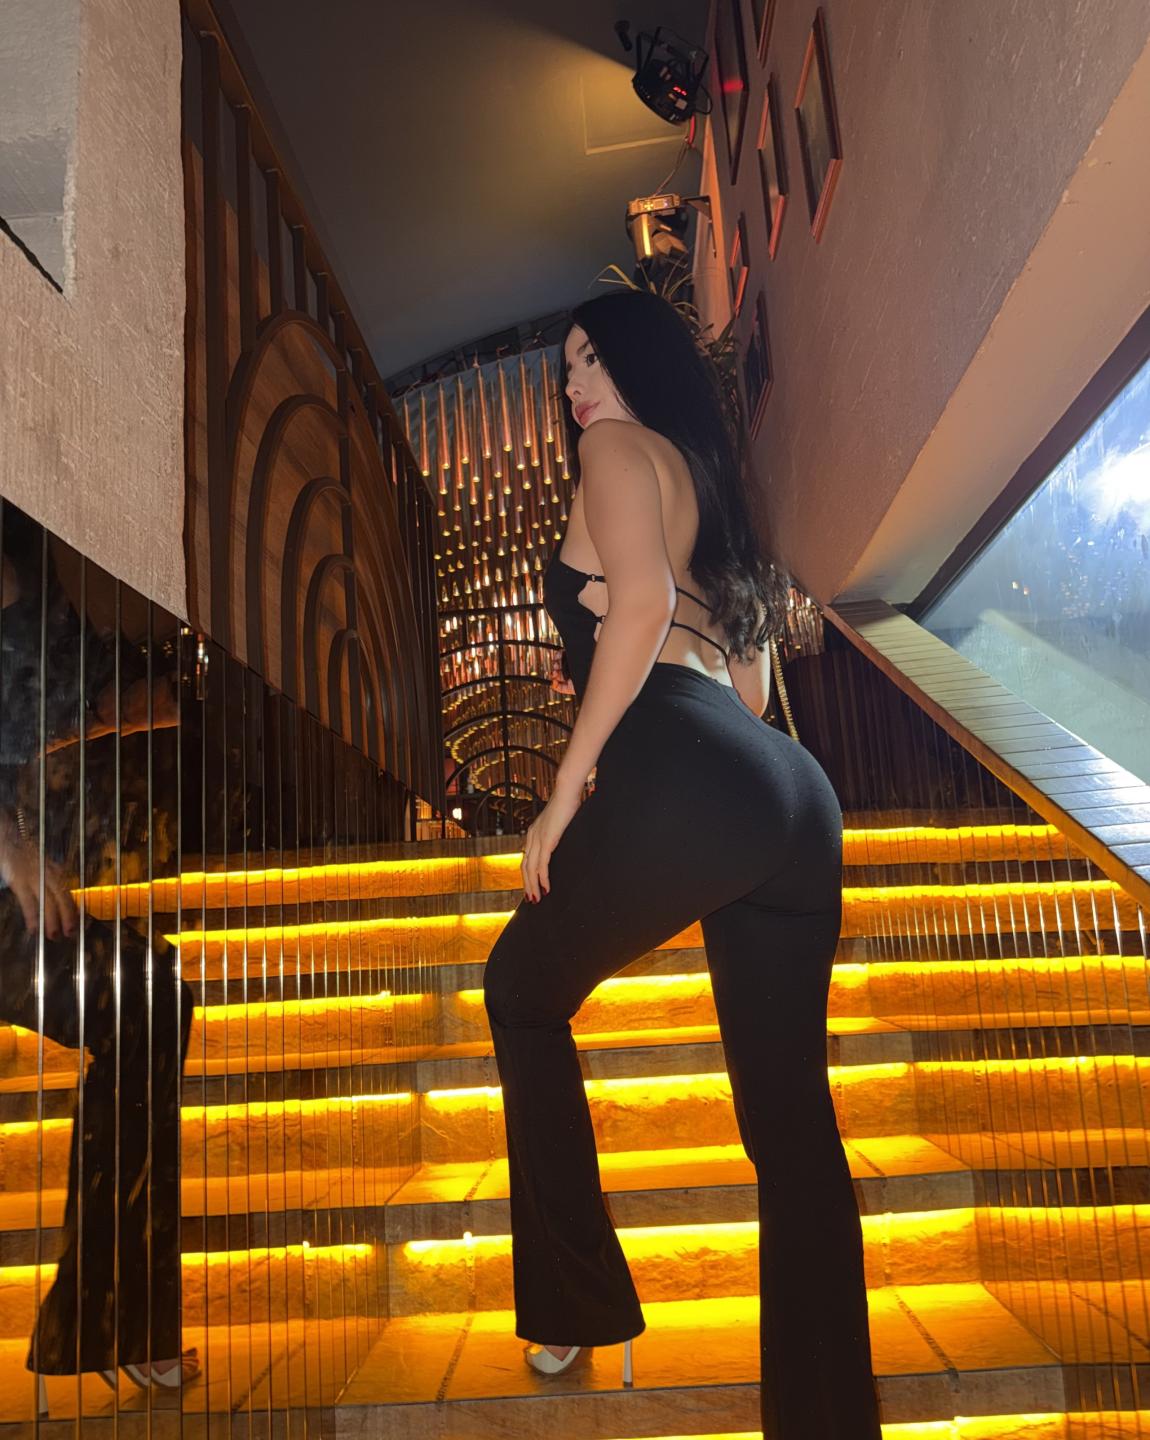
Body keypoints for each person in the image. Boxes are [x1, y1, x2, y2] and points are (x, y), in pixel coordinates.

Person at [483, 290, 882, 1437]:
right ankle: (827, 1420)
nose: (575, 387)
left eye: (592, 358)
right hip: (789, 791)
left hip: (691, 768)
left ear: (642, 361)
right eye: (565, 370)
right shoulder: (708, 486)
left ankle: (573, 1303)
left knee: (518, 990)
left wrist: (566, 786)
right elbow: (743, 687)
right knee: (790, 1130)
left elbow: (641, 606)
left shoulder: (614, 451)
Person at [0, 504, 197, 1416]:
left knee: (152, 992)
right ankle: (114, 1320)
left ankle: (120, 1318)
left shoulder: (36, 601)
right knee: (147, 995)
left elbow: (85, 701)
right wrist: (9, 843)